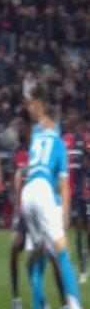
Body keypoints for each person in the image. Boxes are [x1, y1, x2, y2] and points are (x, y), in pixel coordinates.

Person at [21, 85, 86, 309]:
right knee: (62, 253)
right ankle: (75, 306)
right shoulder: (59, 144)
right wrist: (65, 214)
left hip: (28, 194)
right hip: (48, 198)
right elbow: (64, 187)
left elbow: (29, 169)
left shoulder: (36, 139)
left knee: (33, 263)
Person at [9, 110, 68, 309]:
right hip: (26, 211)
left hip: (43, 208)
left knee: (52, 257)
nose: (17, 130)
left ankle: (63, 303)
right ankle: (16, 299)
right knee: (15, 248)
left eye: (20, 126)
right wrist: (16, 212)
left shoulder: (41, 147)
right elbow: (18, 184)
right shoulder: (18, 153)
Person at [62, 108, 87, 283]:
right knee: (63, 229)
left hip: (79, 191)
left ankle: (83, 267)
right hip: (65, 192)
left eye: (72, 116)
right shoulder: (62, 139)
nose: (69, 119)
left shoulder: (81, 139)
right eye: (67, 116)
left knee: (80, 228)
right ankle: (68, 267)